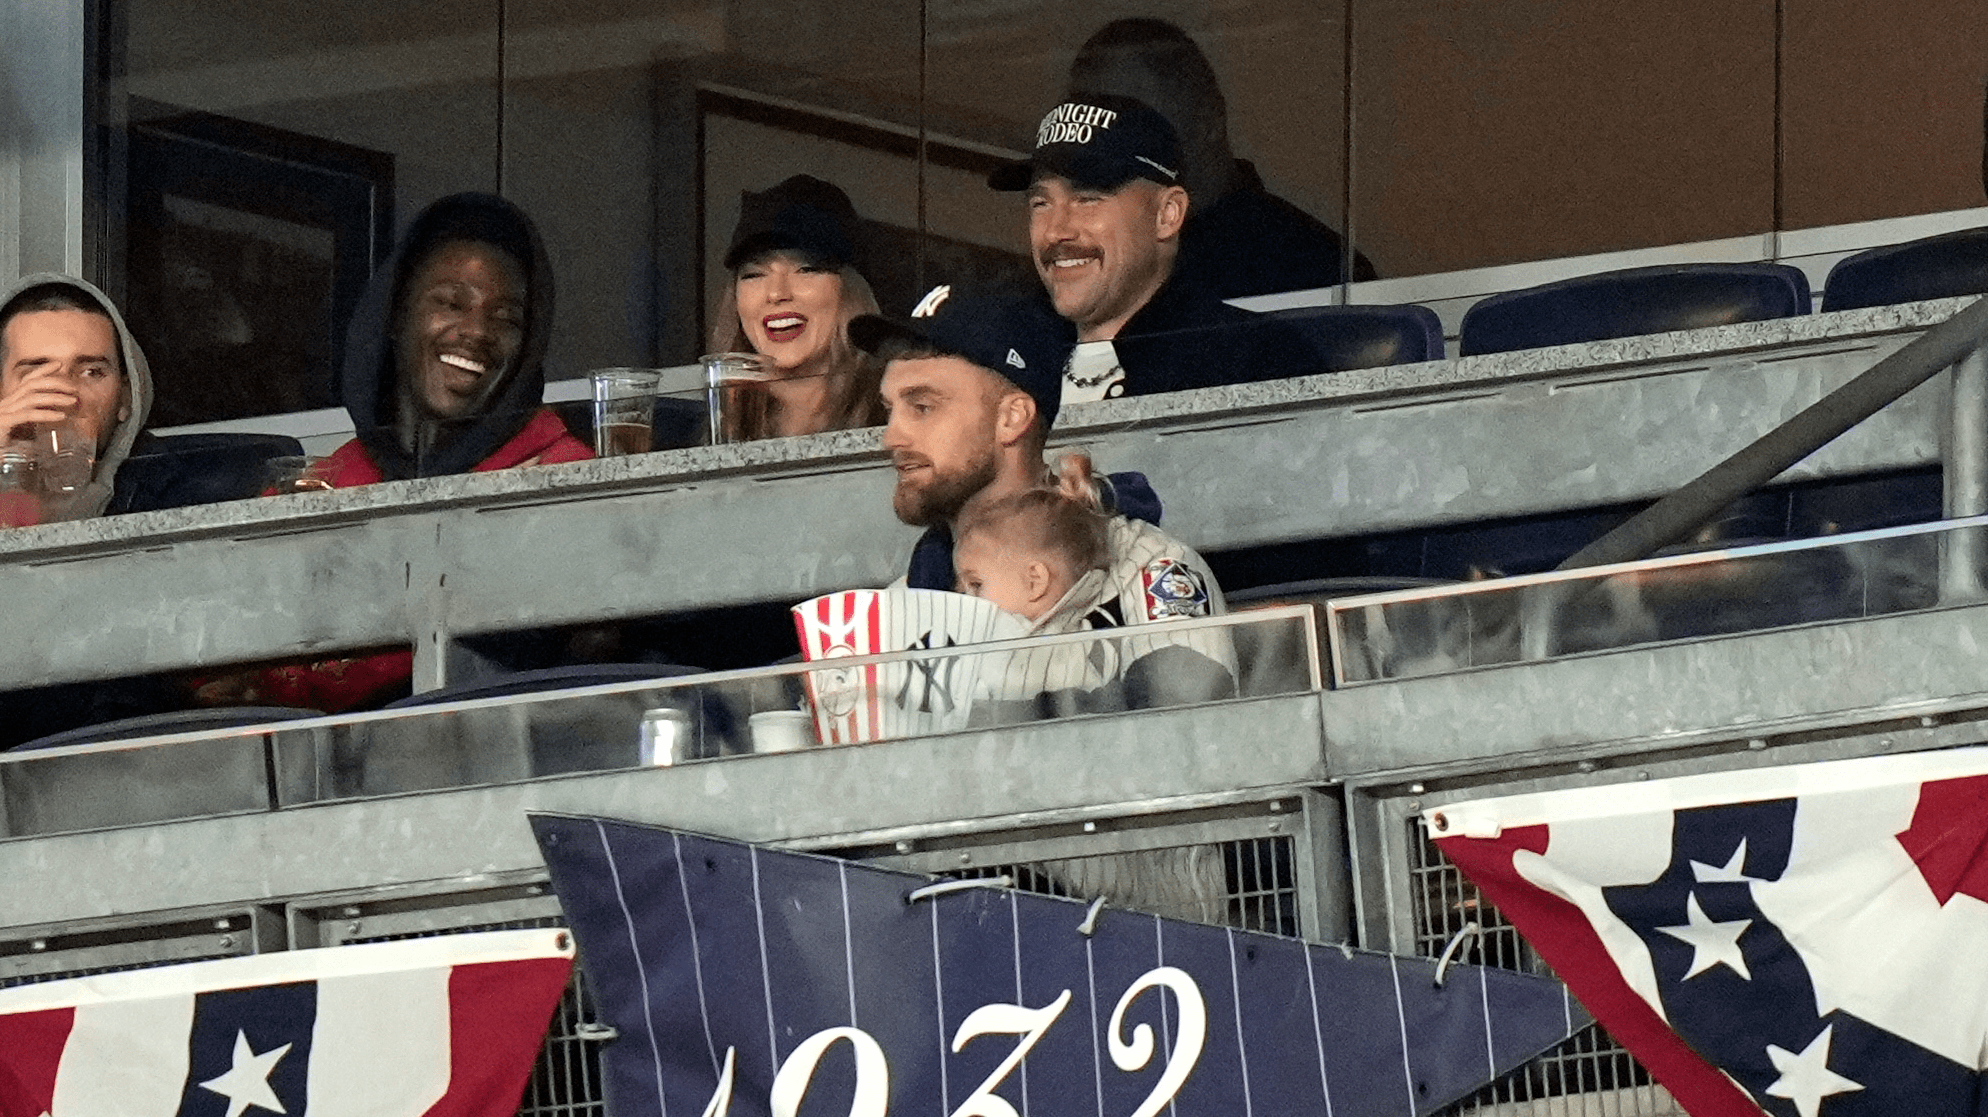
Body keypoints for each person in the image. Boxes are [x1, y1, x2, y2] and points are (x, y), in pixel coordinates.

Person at [194, 193, 589, 713]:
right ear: (397, 314)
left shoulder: (569, 477)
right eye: (450, 302)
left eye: (508, 319)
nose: (477, 332)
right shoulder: (318, 484)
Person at [852, 285, 1235, 706]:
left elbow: (1198, 750)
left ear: (1012, 418)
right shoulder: (893, 613)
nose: (892, 436)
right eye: (890, 410)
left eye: (923, 407)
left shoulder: (1144, 570)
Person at [988, 93, 1316, 404]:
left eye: (1087, 198)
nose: (1056, 231)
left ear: (1167, 214)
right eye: (1041, 202)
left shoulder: (1252, 361)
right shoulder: (994, 354)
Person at [1067, 18, 1376, 299]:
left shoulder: (1311, 269)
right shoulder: (1077, 260)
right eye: (1087, 124)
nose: (1103, 142)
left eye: (1133, 122)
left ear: (1207, 123)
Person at [711, 175, 886, 440]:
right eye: (754, 274)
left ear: (852, 289)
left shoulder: (897, 418)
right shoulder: (712, 431)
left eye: (806, 269)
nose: (777, 293)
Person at [0, 275, 151, 526]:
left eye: (92, 372)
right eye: (35, 374)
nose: (64, 394)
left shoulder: (189, 490)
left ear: (127, 397)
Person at [952, 453, 1114, 631]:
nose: (965, 601)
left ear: (1034, 582)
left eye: (976, 586)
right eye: (963, 592)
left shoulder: (1058, 653)